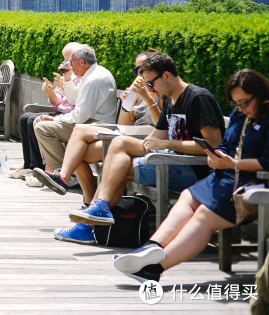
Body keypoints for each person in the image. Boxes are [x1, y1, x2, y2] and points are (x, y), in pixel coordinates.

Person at [49, 51, 224, 246]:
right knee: (119, 148)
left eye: (150, 83)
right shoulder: (171, 100)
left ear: (166, 75)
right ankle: (96, 210)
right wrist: (137, 132)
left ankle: (88, 223)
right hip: (170, 161)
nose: (149, 89)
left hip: (194, 170)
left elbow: (214, 146)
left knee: (118, 170)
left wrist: (167, 144)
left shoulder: (197, 98)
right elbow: (155, 137)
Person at [112, 69, 269, 284]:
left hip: (251, 182)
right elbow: (225, 144)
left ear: (260, 95)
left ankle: (154, 268)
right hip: (224, 175)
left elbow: (266, 162)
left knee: (204, 214)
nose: (241, 108)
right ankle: (152, 247)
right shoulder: (240, 115)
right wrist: (215, 155)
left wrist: (233, 163)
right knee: (188, 196)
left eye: (245, 102)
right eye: (236, 104)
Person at [32, 50, 161, 203]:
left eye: (143, 70)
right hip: (127, 135)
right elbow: (125, 124)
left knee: (76, 142)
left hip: (144, 140)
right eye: (136, 70)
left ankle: (69, 182)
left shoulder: (162, 92)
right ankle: (84, 196)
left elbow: (161, 126)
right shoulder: (138, 91)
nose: (139, 74)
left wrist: (147, 98)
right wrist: (128, 105)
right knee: (76, 148)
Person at [32, 44, 117, 172]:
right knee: (38, 121)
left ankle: (64, 172)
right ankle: (54, 169)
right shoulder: (90, 74)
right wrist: (67, 79)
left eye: (71, 62)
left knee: (42, 127)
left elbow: (79, 116)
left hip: (97, 127)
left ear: (82, 62)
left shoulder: (93, 79)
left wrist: (54, 120)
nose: (69, 65)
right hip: (88, 123)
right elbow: (73, 99)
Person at [7, 42, 81, 181]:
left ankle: (38, 167)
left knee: (32, 120)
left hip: (69, 117)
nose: (65, 63)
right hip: (60, 112)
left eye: (68, 60)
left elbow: (76, 101)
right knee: (25, 118)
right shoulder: (67, 75)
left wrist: (65, 85)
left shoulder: (80, 77)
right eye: (65, 59)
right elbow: (57, 102)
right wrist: (50, 92)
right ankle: (29, 163)